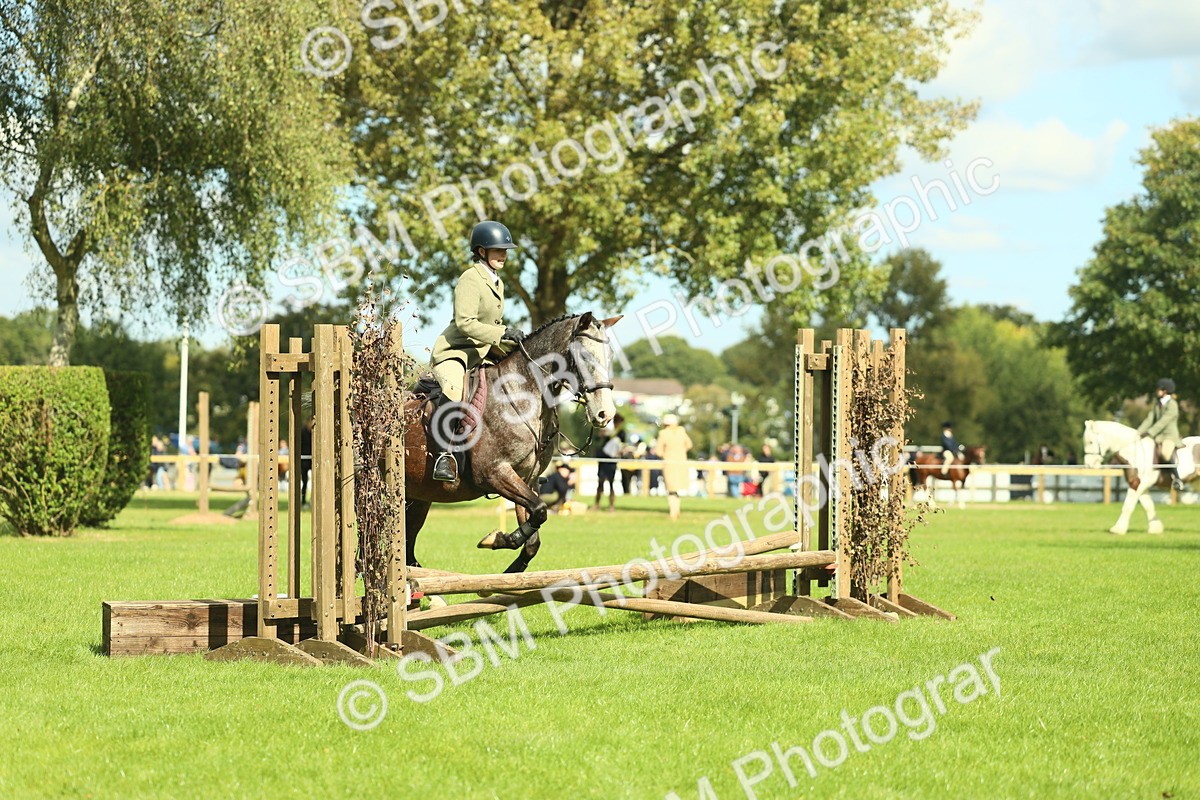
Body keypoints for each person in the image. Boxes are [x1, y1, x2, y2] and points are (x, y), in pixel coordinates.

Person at [428, 220, 525, 482]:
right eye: (498, 250)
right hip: (455, 352)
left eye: (505, 250)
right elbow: (465, 323)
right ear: (481, 251)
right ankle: (443, 456)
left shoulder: (497, 281)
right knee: (452, 389)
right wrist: (501, 333)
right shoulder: (470, 278)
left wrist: (514, 342)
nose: (504, 254)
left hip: (482, 351)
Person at [1138, 378, 1183, 490]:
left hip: (1169, 436)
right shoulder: (1157, 404)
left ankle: (1177, 479)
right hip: (1158, 436)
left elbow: (1163, 422)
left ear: (1165, 390)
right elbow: (1149, 419)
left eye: (1159, 389)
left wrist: (1150, 432)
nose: (1157, 390)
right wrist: (1138, 432)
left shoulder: (1173, 405)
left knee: (1165, 453)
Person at [656, 414, 694, 521]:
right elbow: (689, 445)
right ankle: (676, 510)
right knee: (676, 489)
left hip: (669, 463)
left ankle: (673, 512)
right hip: (682, 462)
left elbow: (659, 451)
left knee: (671, 489)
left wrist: (666, 453)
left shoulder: (663, 434)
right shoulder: (681, 431)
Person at [594, 414, 625, 511]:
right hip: (604, 458)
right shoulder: (606, 431)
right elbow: (598, 440)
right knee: (600, 483)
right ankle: (597, 504)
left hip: (612, 460)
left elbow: (622, 445)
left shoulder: (621, 433)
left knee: (611, 483)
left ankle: (611, 505)